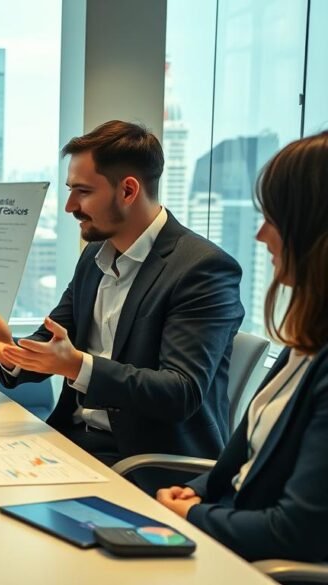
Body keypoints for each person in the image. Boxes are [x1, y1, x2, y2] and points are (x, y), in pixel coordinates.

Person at [0, 120, 244, 493]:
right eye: (71, 191)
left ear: (128, 190)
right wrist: (9, 352)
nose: (70, 206)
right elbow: (55, 342)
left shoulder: (202, 269)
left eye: (83, 192)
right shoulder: (95, 257)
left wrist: (76, 365)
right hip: (71, 443)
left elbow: (179, 392)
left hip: (146, 466)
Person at [156, 131, 328, 562]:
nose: (261, 235)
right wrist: (197, 491)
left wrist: (192, 516)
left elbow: (295, 534)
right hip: (227, 537)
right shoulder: (306, 341)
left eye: (274, 219)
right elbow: (249, 461)